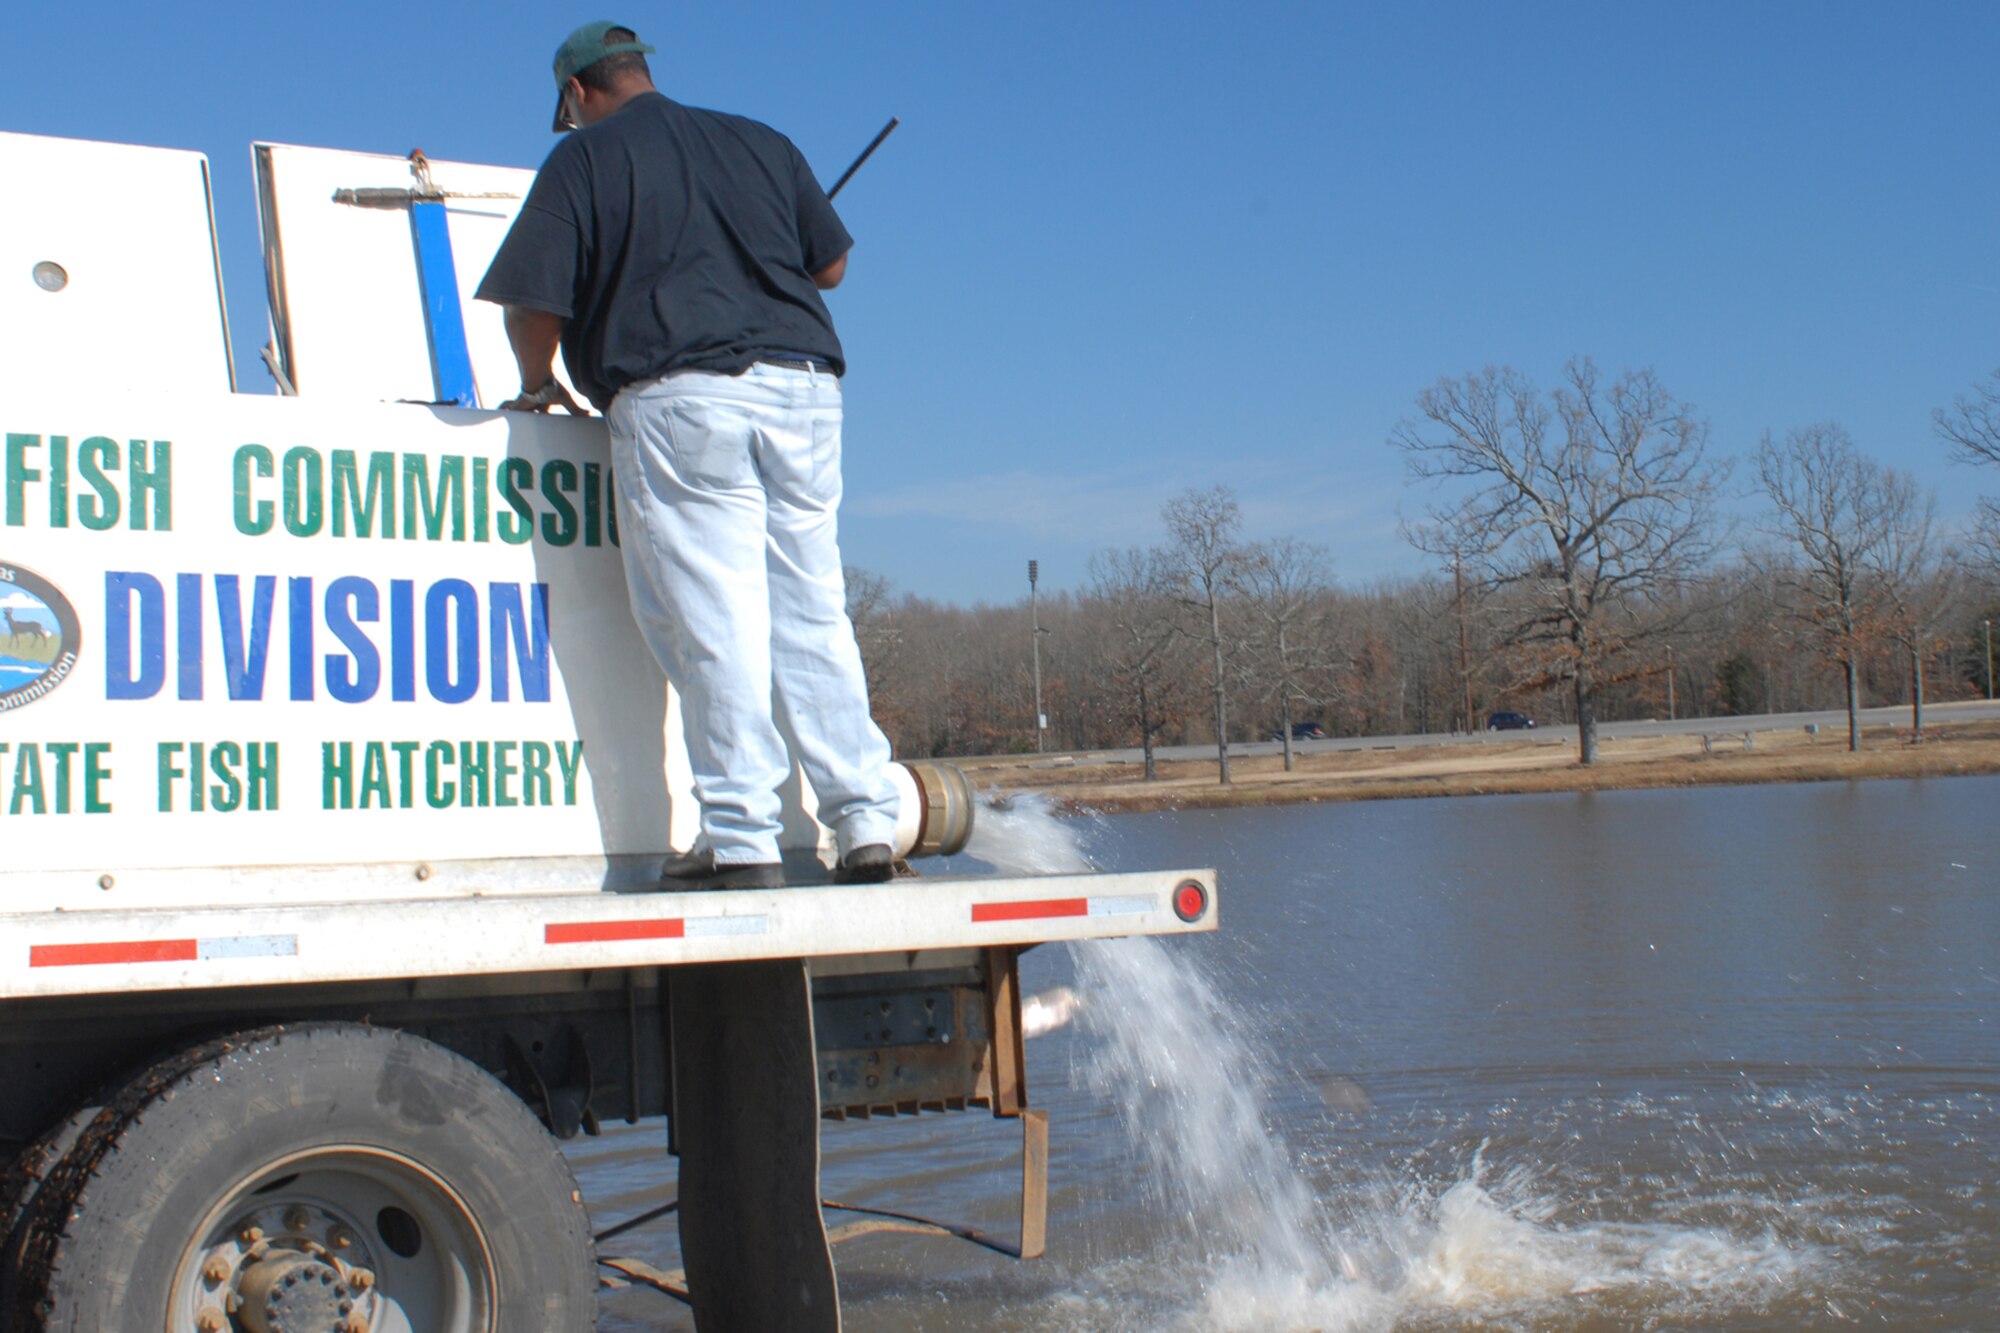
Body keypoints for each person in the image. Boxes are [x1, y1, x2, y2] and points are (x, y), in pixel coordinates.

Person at [477, 20, 900, 891]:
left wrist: (536, 379)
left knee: (716, 618)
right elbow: (833, 267)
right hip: (805, 391)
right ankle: (863, 820)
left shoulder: (584, 159)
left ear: (576, 94)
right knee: (813, 609)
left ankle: (742, 835)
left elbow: (533, 303)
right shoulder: (759, 140)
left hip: (683, 396)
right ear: (641, 72)